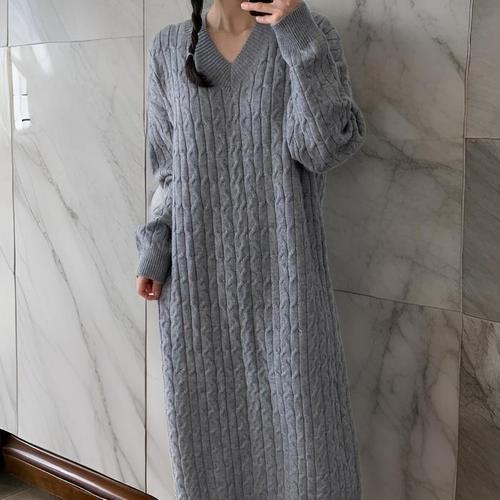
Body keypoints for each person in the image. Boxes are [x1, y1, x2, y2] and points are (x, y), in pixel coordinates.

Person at [135, 0, 366, 498]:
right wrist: (156, 246)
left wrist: (295, 30)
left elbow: (326, 146)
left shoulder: (307, 33)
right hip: (198, 296)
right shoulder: (169, 49)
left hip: (286, 288)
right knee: (210, 457)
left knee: (308, 457)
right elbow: (169, 170)